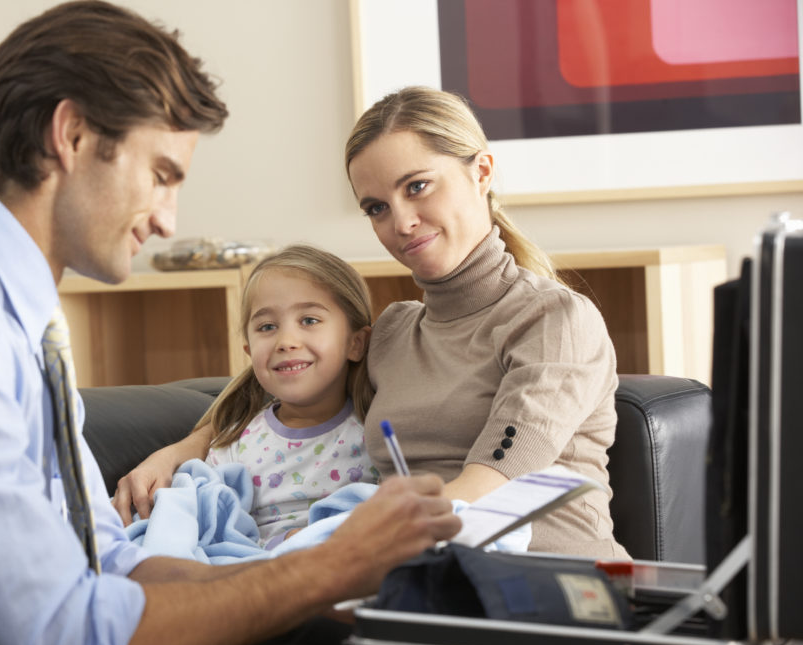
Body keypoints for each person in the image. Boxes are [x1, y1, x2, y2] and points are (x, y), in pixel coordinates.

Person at [0, 6, 461, 645]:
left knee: (339, 643)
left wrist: (325, 588)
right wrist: (325, 569)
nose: (167, 221)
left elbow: (110, 561)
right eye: (161, 175)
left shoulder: (16, 316)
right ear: (72, 136)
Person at [119, 86, 628, 560]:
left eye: (418, 187)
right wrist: (182, 450)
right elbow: (283, 389)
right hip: (420, 576)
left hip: (555, 583)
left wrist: (339, 543)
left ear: (482, 172)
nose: (401, 223)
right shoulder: (393, 333)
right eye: (377, 207)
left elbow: (491, 481)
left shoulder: (553, 320)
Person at [141, 244, 380, 548]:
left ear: (355, 343)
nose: (286, 341)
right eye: (267, 326)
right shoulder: (234, 445)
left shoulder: (377, 434)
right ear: (249, 351)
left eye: (309, 320)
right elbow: (213, 529)